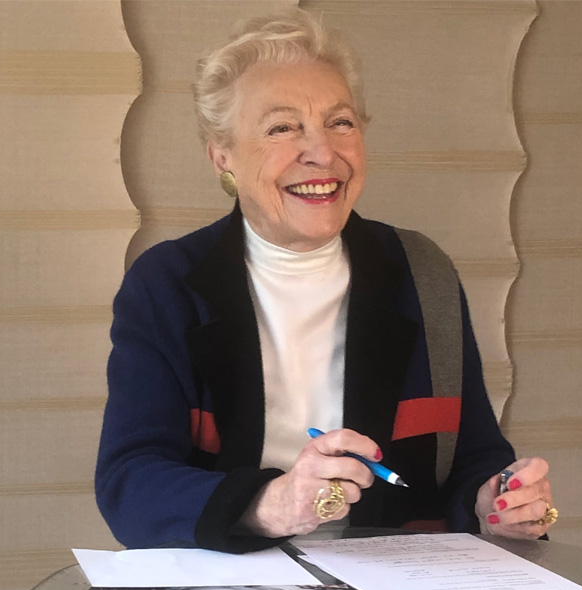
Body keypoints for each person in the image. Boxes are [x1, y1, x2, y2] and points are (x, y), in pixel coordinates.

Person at [96, 9, 554, 553]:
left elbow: (471, 455)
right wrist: (272, 502)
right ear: (223, 157)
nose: (322, 153)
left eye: (340, 122)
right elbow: (129, 482)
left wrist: (495, 500)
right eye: (282, 128)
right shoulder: (166, 285)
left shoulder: (421, 271)